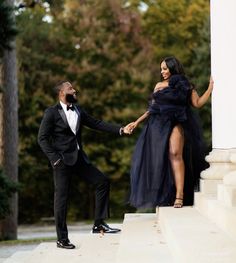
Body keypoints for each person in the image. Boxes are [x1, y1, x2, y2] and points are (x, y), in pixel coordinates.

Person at [38, 81, 130, 249]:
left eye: (73, 88)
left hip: (79, 158)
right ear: (61, 94)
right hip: (62, 162)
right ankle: (62, 239)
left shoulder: (78, 110)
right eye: (70, 89)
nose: (74, 90)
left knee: (102, 181)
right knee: (62, 200)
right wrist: (54, 159)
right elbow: (42, 139)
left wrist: (120, 129)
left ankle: (99, 224)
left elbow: (97, 123)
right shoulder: (51, 113)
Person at [127, 56, 213, 209]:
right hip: (158, 125)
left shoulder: (186, 85)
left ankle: (180, 196)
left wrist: (210, 89)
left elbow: (197, 103)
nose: (162, 72)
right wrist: (136, 122)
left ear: (173, 68)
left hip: (177, 122)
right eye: (161, 69)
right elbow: (152, 109)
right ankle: (168, 194)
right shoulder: (159, 85)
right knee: (161, 159)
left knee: (175, 153)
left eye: (165, 68)